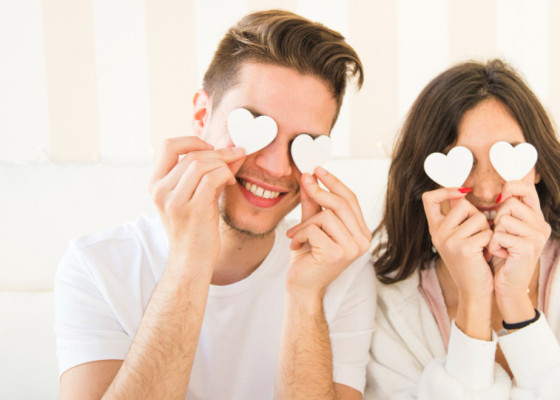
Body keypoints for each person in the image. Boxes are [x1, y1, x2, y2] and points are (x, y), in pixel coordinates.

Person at [54, 10, 375, 400]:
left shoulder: (340, 272)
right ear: (202, 115)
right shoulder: (98, 267)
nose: (276, 167)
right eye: (256, 126)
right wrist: (190, 262)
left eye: (302, 144)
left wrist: (306, 297)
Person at [365, 59, 560, 399]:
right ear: (428, 180)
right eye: (461, 162)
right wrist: (474, 301)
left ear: (537, 167)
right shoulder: (388, 302)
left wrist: (516, 304)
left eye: (506, 157)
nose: (485, 190)